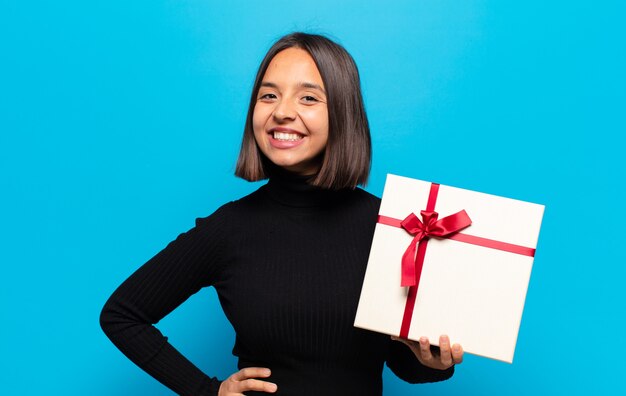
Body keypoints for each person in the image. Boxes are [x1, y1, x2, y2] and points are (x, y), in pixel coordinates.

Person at [100, 32, 464, 396]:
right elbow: (121, 314)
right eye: (268, 95)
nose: (282, 111)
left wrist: (432, 363)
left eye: (308, 97)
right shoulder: (229, 228)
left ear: (342, 112)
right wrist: (206, 391)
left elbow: (402, 363)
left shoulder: (395, 228)